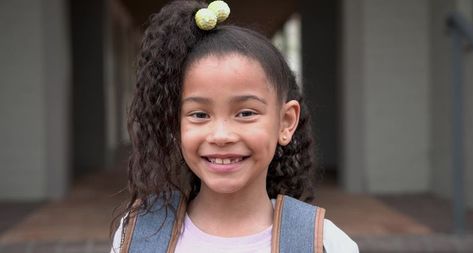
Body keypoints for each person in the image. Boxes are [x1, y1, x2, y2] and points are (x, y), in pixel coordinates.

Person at [111, 0, 358, 252]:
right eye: (199, 114)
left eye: (246, 113)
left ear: (286, 122)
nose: (221, 135)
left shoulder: (326, 243)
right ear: (175, 124)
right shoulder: (138, 235)